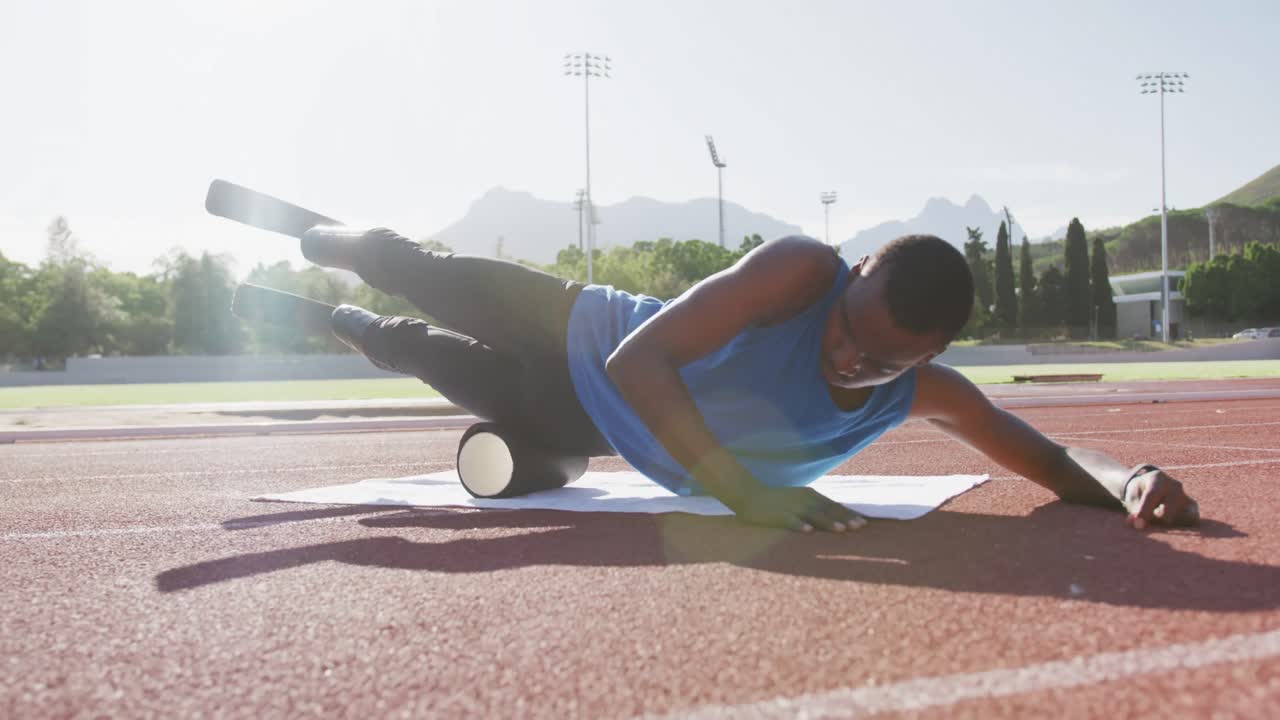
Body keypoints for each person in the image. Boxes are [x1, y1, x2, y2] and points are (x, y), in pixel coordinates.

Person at [280, 226, 1199, 533]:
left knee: (408, 349)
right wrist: (744, 494)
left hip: (576, 421)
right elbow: (636, 361)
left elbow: (1048, 457)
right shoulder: (802, 271)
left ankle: (340, 320)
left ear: (926, 356)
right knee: (417, 269)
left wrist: (1133, 479)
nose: (850, 359)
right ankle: (330, 240)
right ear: (850, 280)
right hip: (571, 324)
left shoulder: (923, 392)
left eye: (883, 360)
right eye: (848, 331)